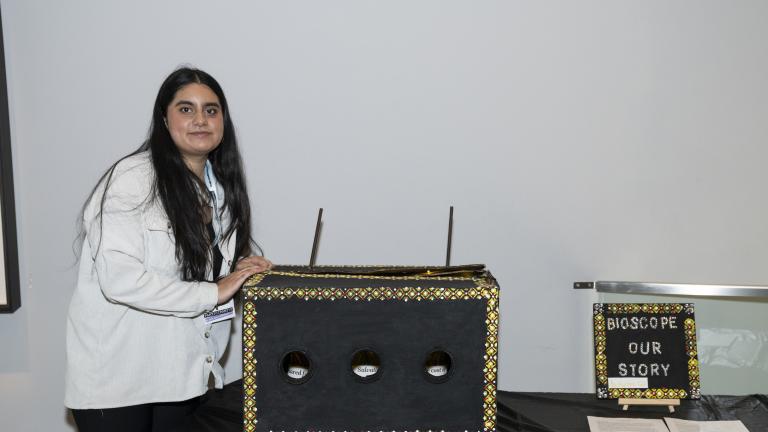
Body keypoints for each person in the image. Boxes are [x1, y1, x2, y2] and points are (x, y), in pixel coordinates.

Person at [64, 67, 271, 432]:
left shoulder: (220, 191)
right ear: (164, 118)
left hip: (185, 378)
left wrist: (238, 273)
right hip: (120, 385)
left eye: (211, 110)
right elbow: (120, 280)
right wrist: (215, 291)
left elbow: (196, 280)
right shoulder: (133, 179)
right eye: (186, 109)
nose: (200, 120)